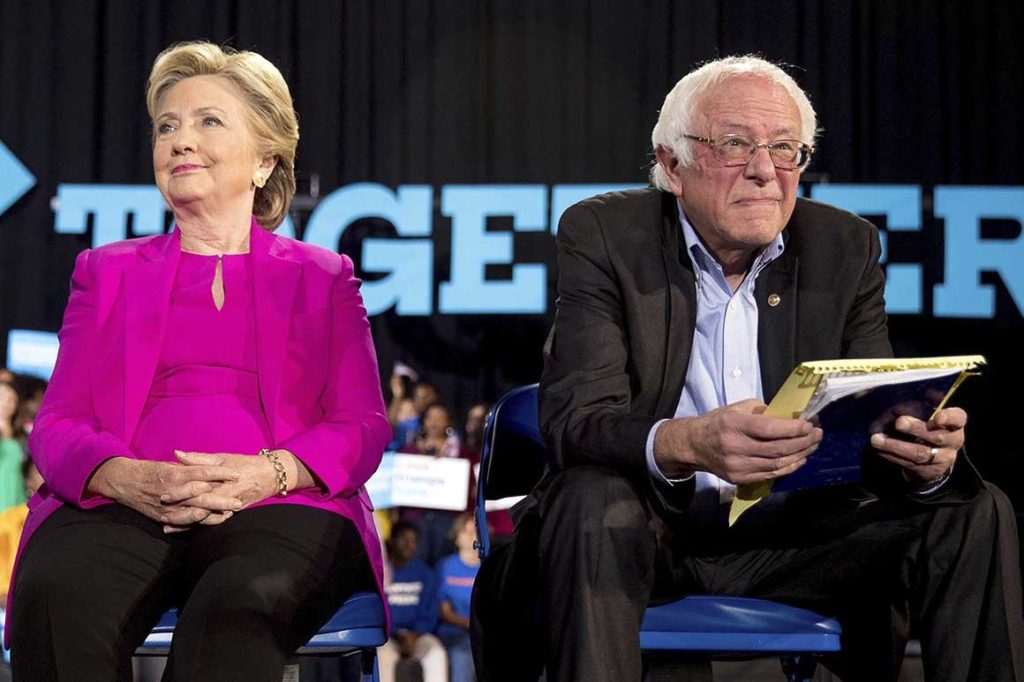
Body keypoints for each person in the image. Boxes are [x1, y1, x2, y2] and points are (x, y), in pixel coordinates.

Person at [472, 56, 1023, 682]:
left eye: (786, 149)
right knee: (591, 497)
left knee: (972, 507)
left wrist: (921, 456)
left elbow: (875, 416)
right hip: (647, 531)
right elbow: (576, 423)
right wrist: (690, 443)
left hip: (795, 538)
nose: (765, 171)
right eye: (735, 144)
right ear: (673, 164)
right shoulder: (603, 235)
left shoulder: (846, 247)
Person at [6, 41, 392, 681]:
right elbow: (57, 425)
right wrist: (125, 476)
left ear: (265, 160)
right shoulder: (106, 273)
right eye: (167, 126)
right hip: (121, 505)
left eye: (209, 121)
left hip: (281, 509)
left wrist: (270, 473)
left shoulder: (323, 277)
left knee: (238, 608)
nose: (181, 140)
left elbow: (362, 425)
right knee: (58, 591)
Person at [378, 522, 448, 682]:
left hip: (419, 635)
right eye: (404, 539)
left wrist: (415, 634)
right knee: (383, 656)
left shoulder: (424, 573)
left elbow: (431, 612)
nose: (410, 545)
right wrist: (396, 634)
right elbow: (376, 612)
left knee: (436, 653)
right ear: (392, 541)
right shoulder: (382, 573)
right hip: (387, 637)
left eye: (414, 540)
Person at [436, 514, 480, 682]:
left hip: (484, 633)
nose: (471, 535)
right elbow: (443, 610)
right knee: (463, 653)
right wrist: (468, 624)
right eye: (466, 531)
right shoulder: (445, 566)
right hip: (454, 633)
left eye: (474, 531)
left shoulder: (490, 566)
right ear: (456, 537)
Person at [0, 383, 25, 511]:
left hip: (15, 499)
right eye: (2, 396)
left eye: (12, 400)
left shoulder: (22, 435)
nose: (6, 403)